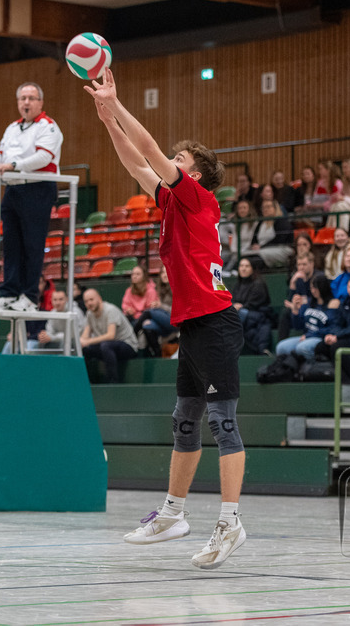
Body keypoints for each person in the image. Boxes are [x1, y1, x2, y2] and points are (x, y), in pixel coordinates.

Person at [86, 68, 246, 569]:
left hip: (218, 322)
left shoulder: (199, 199)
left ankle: (230, 522)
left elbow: (150, 147)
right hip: (194, 326)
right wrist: (108, 119)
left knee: (223, 422)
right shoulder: (173, 206)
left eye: (180, 161)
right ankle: (174, 515)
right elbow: (137, 164)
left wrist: (118, 102)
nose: (169, 163)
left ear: (193, 174)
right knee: (185, 422)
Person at [0, 82, 64, 312]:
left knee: (33, 245)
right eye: (22, 98)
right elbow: (0, 152)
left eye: (31, 98)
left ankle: (29, 295)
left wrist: (13, 165)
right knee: (12, 244)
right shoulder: (12, 128)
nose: (26, 102)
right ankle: (9, 291)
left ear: (40, 102)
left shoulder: (49, 126)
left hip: (37, 188)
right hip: (13, 189)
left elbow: (44, 157)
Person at [275, 274, 342, 360]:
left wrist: (310, 335)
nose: (313, 291)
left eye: (316, 288)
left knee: (302, 348)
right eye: (311, 288)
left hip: (320, 338)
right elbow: (297, 326)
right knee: (281, 347)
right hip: (307, 336)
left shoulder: (333, 304)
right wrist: (295, 311)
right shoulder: (309, 303)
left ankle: (312, 369)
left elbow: (333, 328)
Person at [80, 288, 139, 383]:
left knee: (106, 345)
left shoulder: (110, 310)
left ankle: (113, 382)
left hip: (128, 346)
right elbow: (85, 336)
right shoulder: (89, 314)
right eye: (86, 301)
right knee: (86, 350)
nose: (89, 303)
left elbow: (111, 335)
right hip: (108, 348)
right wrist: (82, 342)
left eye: (91, 299)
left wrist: (87, 341)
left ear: (99, 298)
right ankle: (86, 382)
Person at [231, 257, 273, 355]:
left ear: (252, 269)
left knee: (237, 313)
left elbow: (254, 303)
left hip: (258, 315)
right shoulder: (238, 285)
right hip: (245, 317)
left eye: (247, 266)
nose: (243, 269)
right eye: (241, 266)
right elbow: (233, 300)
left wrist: (240, 307)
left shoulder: (258, 284)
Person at [135, 267, 178, 357]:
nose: (164, 275)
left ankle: (133, 333)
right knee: (147, 326)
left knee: (149, 312)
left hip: (175, 321)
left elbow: (177, 311)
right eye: (162, 273)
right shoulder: (159, 289)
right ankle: (157, 354)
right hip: (163, 322)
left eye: (167, 272)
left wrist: (160, 306)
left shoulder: (177, 289)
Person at [251, 199, 294, 268]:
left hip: (280, 249)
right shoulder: (260, 223)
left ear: (275, 208)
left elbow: (280, 239)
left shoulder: (281, 221)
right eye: (263, 207)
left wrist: (262, 247)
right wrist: (254, 245)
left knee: (256, 258)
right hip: (261, 250)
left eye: (268, 207)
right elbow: (254, 238)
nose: (265, 209)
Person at [121, 262, 159, 329]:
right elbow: (125, 305)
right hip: (132, 317)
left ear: (144, 276)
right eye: (133, 274)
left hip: (146, 318)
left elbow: (150, 310)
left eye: (138, 274)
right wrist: (128, 309)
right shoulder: (129, 290)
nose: (134, 276)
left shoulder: (151, 291)